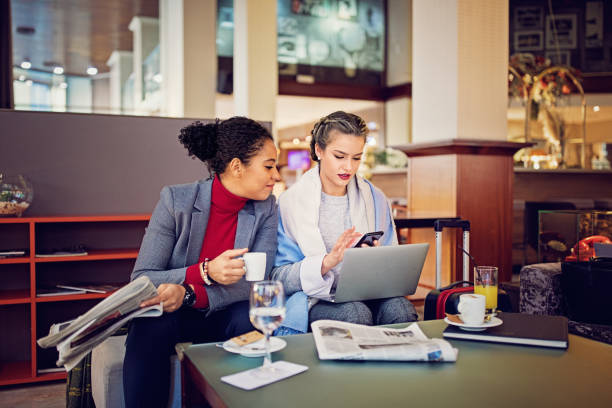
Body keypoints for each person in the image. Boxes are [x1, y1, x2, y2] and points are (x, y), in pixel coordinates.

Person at [123, 117, 280, 408]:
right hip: (174, 315)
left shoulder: (266, 208)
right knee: (149, 325)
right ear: (236, 166)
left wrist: (192, 293)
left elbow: (258, 280)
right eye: (269, 166)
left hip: (224, 313)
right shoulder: (176, 201)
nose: (276, 175)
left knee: (249, 316)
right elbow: (143, 278)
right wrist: (204, 272)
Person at [271, 111, 418, 335]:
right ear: (319, 150)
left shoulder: (375, 198)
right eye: (339, 156)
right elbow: (278, 276)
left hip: (369, 292)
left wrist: (377, 260)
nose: (349, 167)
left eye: (356, 157)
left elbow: (391, 262)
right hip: (315, 299)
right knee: (355, 313)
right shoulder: (290, 203)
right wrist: (325, 263)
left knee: (401, 310)